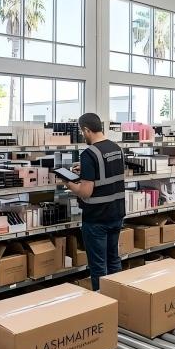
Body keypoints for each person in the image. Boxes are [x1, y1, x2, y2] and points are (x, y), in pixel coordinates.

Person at [64, 113, 125, 290]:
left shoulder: (89, 154)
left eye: (82, 132)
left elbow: (85, 192)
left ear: (86, 130)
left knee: (98, 266)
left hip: (97, 218)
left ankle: (103, 301)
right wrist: (86, 169)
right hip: (116, 214)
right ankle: (119, 298)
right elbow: (108, 170)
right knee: (113, 260)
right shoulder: (116, 148)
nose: (82, 135)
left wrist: (68, 183)